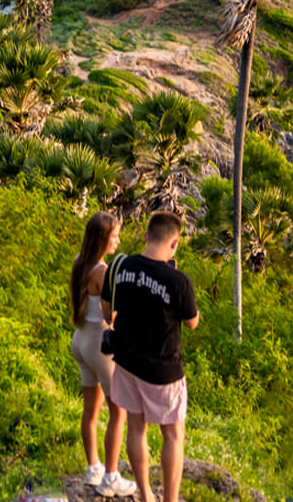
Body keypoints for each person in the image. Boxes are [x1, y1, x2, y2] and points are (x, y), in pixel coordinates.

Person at [101, 211, 199, 502]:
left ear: (146, 236)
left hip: (127, 362)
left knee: (136, 427)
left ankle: (146, 495)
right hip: (163, 371)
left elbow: (108, 312)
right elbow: (192, 322)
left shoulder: (121, 266)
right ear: (174, 244)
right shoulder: (178, 280)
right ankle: (169, 500)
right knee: (172, 435)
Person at [68, 211, 137, 497]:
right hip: (100, 343)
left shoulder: (79, 263)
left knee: (90, 409)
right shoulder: (103, 271)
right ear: (101, 239)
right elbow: (111, 314)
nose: (118, 240)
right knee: (118, 410)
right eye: (115, 236)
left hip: (81, 338)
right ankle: (111, 477)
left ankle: (93, 469)